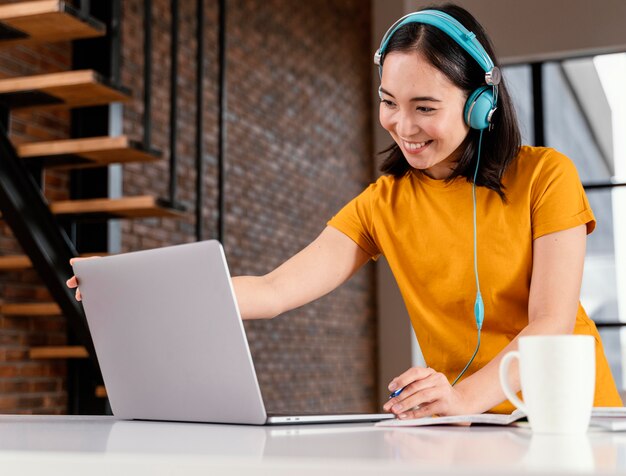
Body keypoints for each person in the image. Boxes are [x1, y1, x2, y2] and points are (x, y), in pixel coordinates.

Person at [68, 3, 623, 418]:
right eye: (388, 103)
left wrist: (463, 399)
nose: (403, 126)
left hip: (574, 419)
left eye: (424, 107)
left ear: (480, 104)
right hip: (465, 425)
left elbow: (550, 324)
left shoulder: (546, 176)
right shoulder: (383, 204)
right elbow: (273, 290)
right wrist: (129, 286)